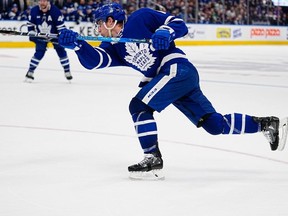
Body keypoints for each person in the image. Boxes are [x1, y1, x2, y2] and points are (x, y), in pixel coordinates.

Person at [57, 3, 286, 178]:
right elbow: (95, 61)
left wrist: (166, 32)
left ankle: (152, 158)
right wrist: (78, 45)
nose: (96, 28)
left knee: (138, 106)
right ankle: (266, 124)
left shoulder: (141, 17)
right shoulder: (113, 47)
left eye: (98, 23)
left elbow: (179, 23)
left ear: (109, 20)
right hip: (171, 79)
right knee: (214, 125)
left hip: (177, 69)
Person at [25, 0, 72, 82]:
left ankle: (67, 71)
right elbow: (30, 24)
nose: (42, 2)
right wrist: (31, 32)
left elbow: (61, 27)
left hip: (54, 35)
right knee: (39, 53)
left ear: (48, 2)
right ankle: (30, 72)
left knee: (61, 51)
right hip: (41, 36)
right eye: (40, 1)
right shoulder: (34, 10)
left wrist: (61, 35)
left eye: (44, 1)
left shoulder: (55, 10)